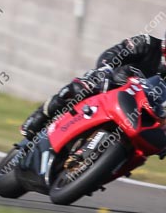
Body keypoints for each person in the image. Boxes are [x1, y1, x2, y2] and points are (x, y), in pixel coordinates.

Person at [21, 33, 166, 140]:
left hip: (136, 114)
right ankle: (41, 116)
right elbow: (115, 53)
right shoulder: (147, 44)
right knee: (85, 85)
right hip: (110, 88)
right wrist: (106, 68)